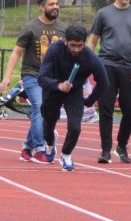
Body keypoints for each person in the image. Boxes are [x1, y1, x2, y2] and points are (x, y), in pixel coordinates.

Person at [87, 0, 131, 164]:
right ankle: (105, 150)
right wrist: (87, 63)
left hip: (130, 67)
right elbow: (93, 40)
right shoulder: (103, 14)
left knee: (130, 110)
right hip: (106, 66)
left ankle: (121, 145)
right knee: (106, 109)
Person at [0, 0, 63, 164]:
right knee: (39, 106)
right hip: (32, 75)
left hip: (53, 79)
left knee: (46, 113)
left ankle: (27, 147)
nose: (55, 7)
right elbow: (17, 52)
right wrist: (7, 77)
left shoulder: (63, 29)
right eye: (51, 4)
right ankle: (40, 148)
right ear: (42, 7)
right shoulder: (30, 27)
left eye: (57, 4)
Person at [38, 24, 108, 171]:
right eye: (73, 45)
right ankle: (50, 145)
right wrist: (58, 85)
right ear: (65, 41)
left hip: (74, 92)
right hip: (53, 89)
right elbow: (42, 78)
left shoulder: (89, 57)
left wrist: (88, 101)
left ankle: (66, 154)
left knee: (75, 128)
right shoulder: (54, 50)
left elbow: (104, 83)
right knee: (48, 123)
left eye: (80, 45)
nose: (76, 49)